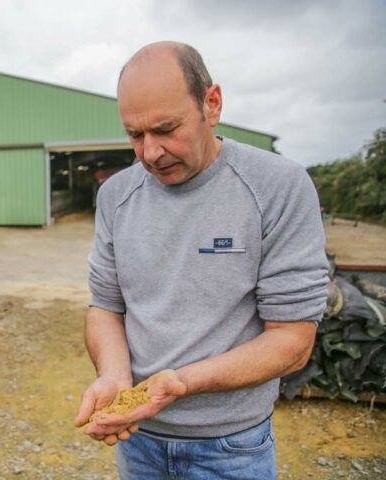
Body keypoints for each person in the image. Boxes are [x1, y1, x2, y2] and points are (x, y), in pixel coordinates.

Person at [74, 41, 329, 479]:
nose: (150, 152)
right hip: (140, 441)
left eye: (166, 129)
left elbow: (292, 341)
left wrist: (182, 382)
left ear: (212, 104)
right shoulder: (116, 196)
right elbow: (106, 306)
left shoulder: (277, 186)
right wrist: (115, 377)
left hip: (232, 446)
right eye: (135, 135)